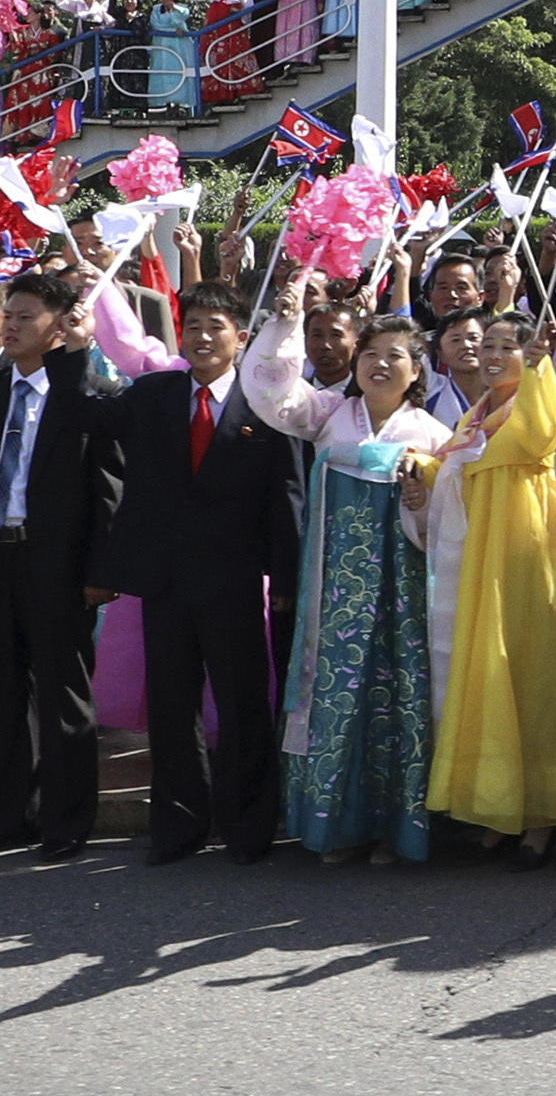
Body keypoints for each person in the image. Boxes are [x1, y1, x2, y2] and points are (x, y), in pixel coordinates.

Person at [241, 272, 448, 865]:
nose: (380, 364)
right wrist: (283, 322)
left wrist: (423, 499)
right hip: (333, 592)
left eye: (396, 357)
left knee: (398, 699)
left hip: (402, 595)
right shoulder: (328, 414)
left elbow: (452, 524)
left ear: (417, 373)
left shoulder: (436, 436)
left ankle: (393, 828)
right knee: (335, 697)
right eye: (372, 354)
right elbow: (269, 390)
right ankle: (337, 827)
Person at [95, 285, 295, 863]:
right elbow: (91, 418)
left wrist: (283, 579)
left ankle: (248, 826)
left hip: (236, 584)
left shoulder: (265, 403)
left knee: (243, 706)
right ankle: (179, 829)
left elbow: (286, 497)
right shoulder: (154, 393)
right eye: (193, 326)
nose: (203, 337)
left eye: (216, 326)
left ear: (241, 337)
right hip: (167, 584)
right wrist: (72, 347)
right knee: (171, 710)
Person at [422, 304, 556, 863]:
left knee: (532, 673)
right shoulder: (475, 414)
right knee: (488, 672)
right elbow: (454, 467)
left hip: (526, 557)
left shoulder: (531, 405)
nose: (492, 355)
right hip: (480, 559)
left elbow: (545, 431)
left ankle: (542, 812)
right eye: (487, 345)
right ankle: (496, 803)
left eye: (505, 347)